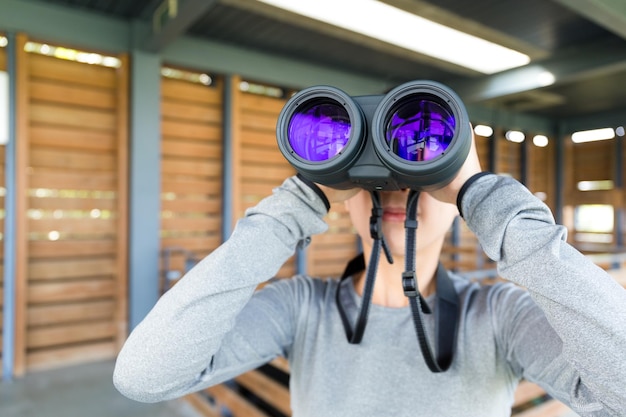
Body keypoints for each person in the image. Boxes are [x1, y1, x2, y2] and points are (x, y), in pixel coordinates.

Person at [113, 134, 626, 416]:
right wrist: (296, 206)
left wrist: (484, 195)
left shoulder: (497, 316)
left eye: (425, 175)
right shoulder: (301, 307)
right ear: (346, 198)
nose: (399, 191)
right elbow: (144, 376)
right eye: (375, 180)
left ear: (456, 206)